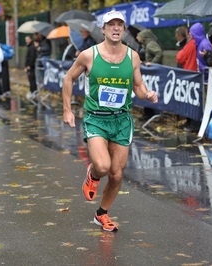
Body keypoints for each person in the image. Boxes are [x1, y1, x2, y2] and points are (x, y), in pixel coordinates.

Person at [62, 10, 158, 232]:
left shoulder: (133, 56)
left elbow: (137, 85)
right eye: (111, 24)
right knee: (103, 166)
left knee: (116, 173)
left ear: (123, 30)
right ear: (103, 29)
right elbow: (69, 78)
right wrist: (67, 110)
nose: (116, 28)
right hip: (96, 119)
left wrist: (147, 94)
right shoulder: (88, 55)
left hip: (122, 120)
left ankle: (102, 214)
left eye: (120, 25)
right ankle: (93, 174)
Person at [136, 29, 163, 120]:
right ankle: (149, 113)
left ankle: (156, 114)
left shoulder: (151, 44)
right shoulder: (146, 45)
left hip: (155, 73)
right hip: (151, 74)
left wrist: (152, 63)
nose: (137, 38)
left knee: (153, 92)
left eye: (139, 36)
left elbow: (159, 53)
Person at [24, 35, 38, 100]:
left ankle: (33, 91)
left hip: (30, 66)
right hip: (29, 66)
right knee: (30, 78)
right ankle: (32, 90)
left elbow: (32, 57)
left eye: (27, 39)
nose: (26, 41)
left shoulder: (31, 47)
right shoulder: (30, 47)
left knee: (32, 78)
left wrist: (29, 65)